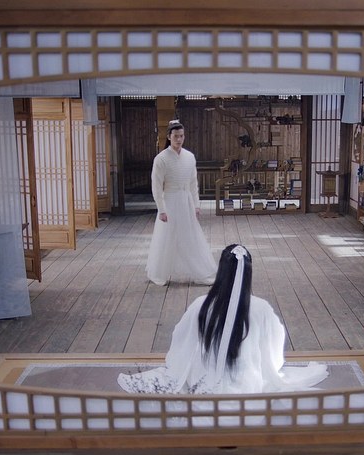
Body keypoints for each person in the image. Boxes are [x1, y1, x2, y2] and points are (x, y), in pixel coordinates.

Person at [119, 244, 329, 394]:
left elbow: (181, 338)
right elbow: (273, 348)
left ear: (221, 271)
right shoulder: (261, 308)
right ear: (248, 273)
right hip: (246, 381)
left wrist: (181, 363)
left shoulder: (201, 304)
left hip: (203, 378)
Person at [146, 119, 217, 286]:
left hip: (186, 201)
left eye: (181, 136)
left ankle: (200, 272)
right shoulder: (161, 159)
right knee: (165, 237)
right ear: (169, 137)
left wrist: (196, 205)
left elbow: (193, 183)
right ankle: (158, 273)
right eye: (176, 136)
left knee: (191, 236)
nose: (179, 139)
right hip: (170, 200)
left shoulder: (189, 157)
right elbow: (157, 186)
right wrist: (161, 209)